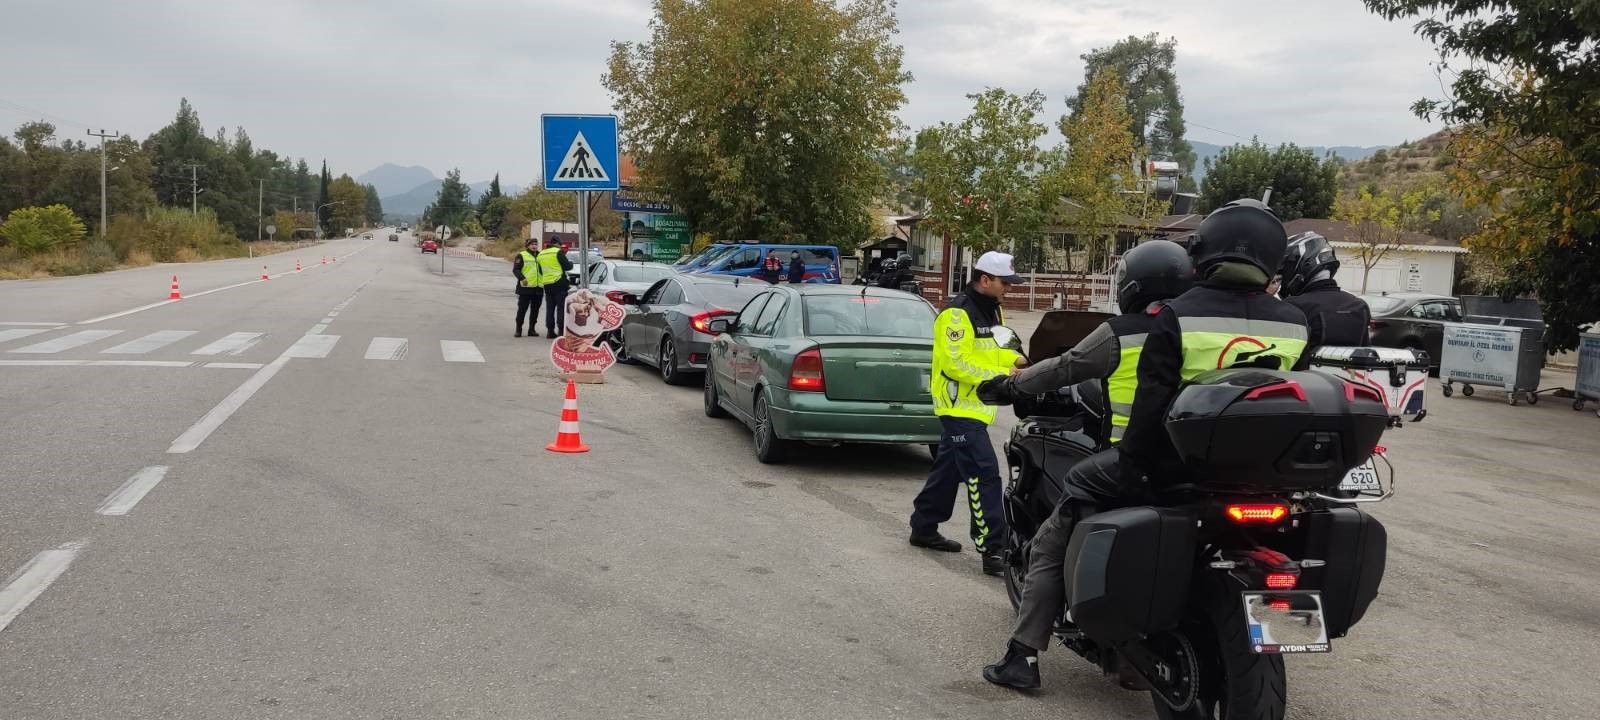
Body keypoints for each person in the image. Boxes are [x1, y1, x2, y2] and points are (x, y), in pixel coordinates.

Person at [982, 199, 1310, 691]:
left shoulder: (1166, 321)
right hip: (1256, 472)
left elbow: (1146, 401)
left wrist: (1133, 466)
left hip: (1160, 464)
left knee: (1057, 529)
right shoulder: (1295, 322)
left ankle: (1023, 657)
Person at [909, 251, 1027, 576]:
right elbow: (954, 363)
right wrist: (998, 379)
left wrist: (1019, 363)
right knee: (984, 470)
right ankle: (994, 549)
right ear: (985, 280)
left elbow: (998, 350)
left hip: (979, 405)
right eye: (1005, 282)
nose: (1009, 289)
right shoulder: (956, 314)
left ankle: (924, 526)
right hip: (957, 406)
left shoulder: (993, 310)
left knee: (949, 468)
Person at [1278, 231, 1370, 356]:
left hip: (1302, 375)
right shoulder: (1359, 306)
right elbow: (1365, 353)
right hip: (1351, 375)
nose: (1283, 277)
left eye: (1285, 271)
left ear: (1302, 265)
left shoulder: (1293, 306)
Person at [536, 238, 575, 338]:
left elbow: (540, 271)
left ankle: (550, 331)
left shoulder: (541, 254)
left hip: (547, 284)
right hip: (559, 283)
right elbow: (567, 267)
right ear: (557, 243)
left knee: (550, 308)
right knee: (561, 308)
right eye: (560, 245)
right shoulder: (558, 252)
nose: (560, 247)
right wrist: (571, 263)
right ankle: (561, 331)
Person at [512, 238, 546, 338]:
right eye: (532, 244)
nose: (534, 246)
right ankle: (518, 329)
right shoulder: (521, 255)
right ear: (527, 245)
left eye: (536, 244)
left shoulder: (541, 256)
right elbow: (516, 270)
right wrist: (522, 278)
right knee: (522, 310)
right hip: (525, 288)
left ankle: (532, 329)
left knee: (535, 311)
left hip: (538, 288)